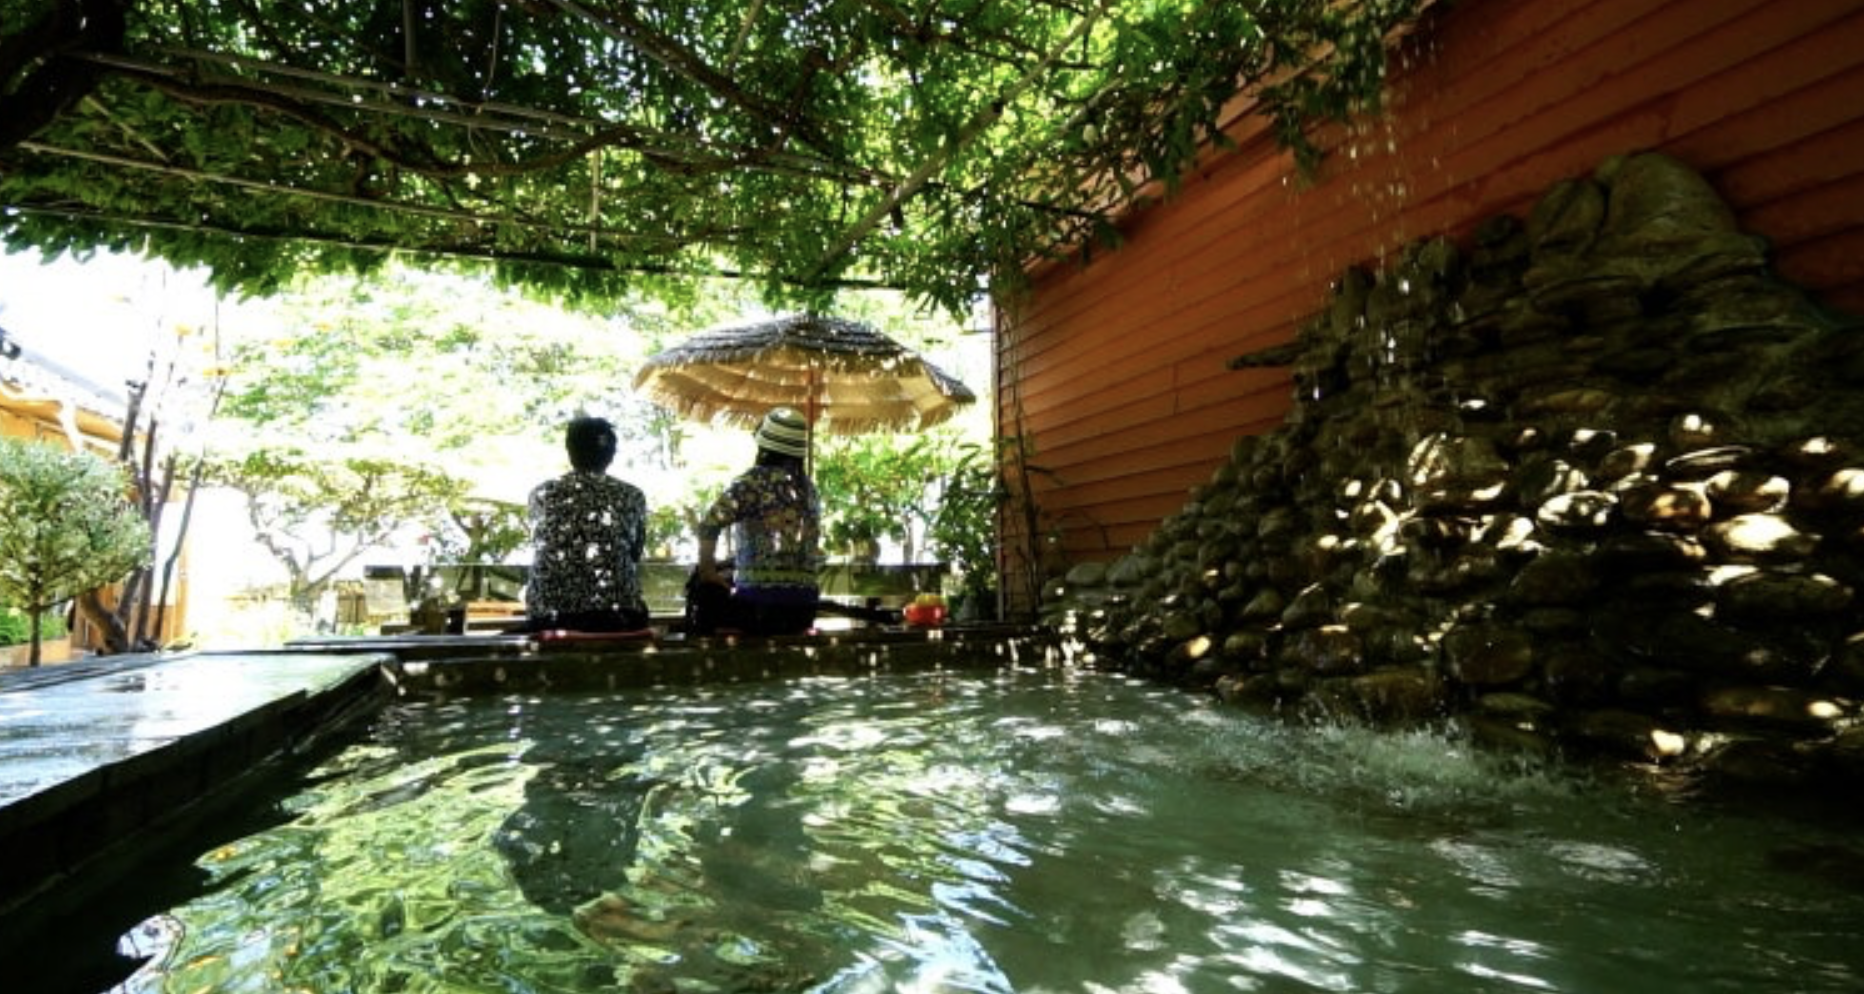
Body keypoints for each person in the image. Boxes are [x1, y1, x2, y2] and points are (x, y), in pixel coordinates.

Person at [687, 407, 822, 635]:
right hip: (804, 611)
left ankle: (704, 653)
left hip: (758, 610)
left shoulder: (751, 483)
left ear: (763, 446)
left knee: (703, 591)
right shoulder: (809, 490)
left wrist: (708, 570)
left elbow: (709, 525)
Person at [520, 416, 651, 632]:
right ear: (611, 455)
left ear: (569, 450)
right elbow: (634, 553)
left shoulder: (541, 494)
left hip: (549, 617)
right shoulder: (632, 496)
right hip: (617, 617)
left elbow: (542, 544)